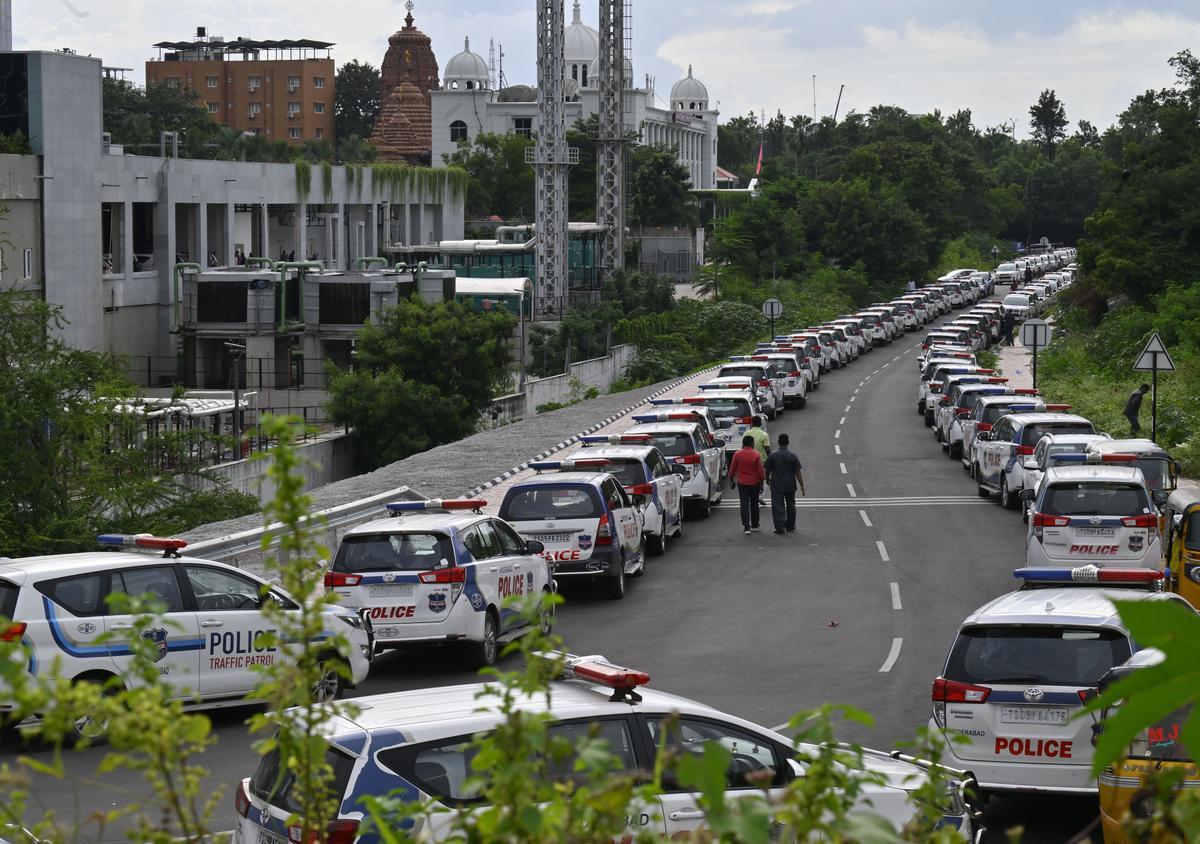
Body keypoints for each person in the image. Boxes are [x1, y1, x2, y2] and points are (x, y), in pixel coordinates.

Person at [764, 433, 805, 534]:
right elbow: (797, 472)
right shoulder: (792, 456)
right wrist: (801, 485)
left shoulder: (772, 455)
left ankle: (780, 526)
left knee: (777, 505)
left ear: (778, 442)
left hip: (777, 485)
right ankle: (790, 525)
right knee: (791, 504)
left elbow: (767, 470)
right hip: (790, 484)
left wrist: (767, 479)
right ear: (788, 443)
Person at [728, 436, 764, 535]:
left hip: (742, 483)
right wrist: (761, 482)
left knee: (744, 504)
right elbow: (760, 471)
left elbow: (732, 470)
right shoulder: (756, 454)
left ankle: (746, 527)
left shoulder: (737, 454)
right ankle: (755, 524)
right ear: (751, 443)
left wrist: (731, 481)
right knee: (754, 504)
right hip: (754, 483)